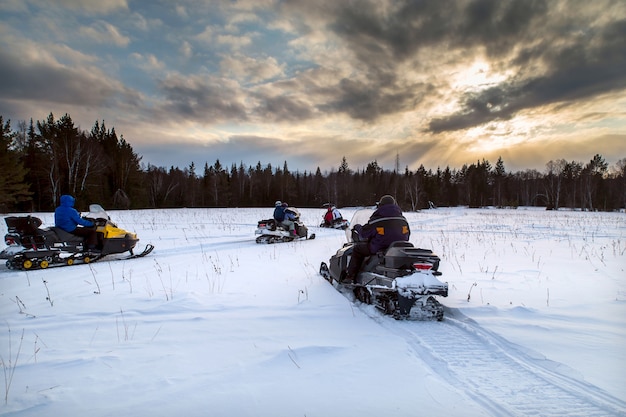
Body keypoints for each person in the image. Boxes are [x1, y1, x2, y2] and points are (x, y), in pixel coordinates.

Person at [344, 195, 410, 283]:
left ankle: (350, 277)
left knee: (357, 249)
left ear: (381, 205)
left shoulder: (377, 220)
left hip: (379, 248)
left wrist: (357, 227)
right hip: (398, 249)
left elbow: (364, 233)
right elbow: (407, 234)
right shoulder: (402, 219)